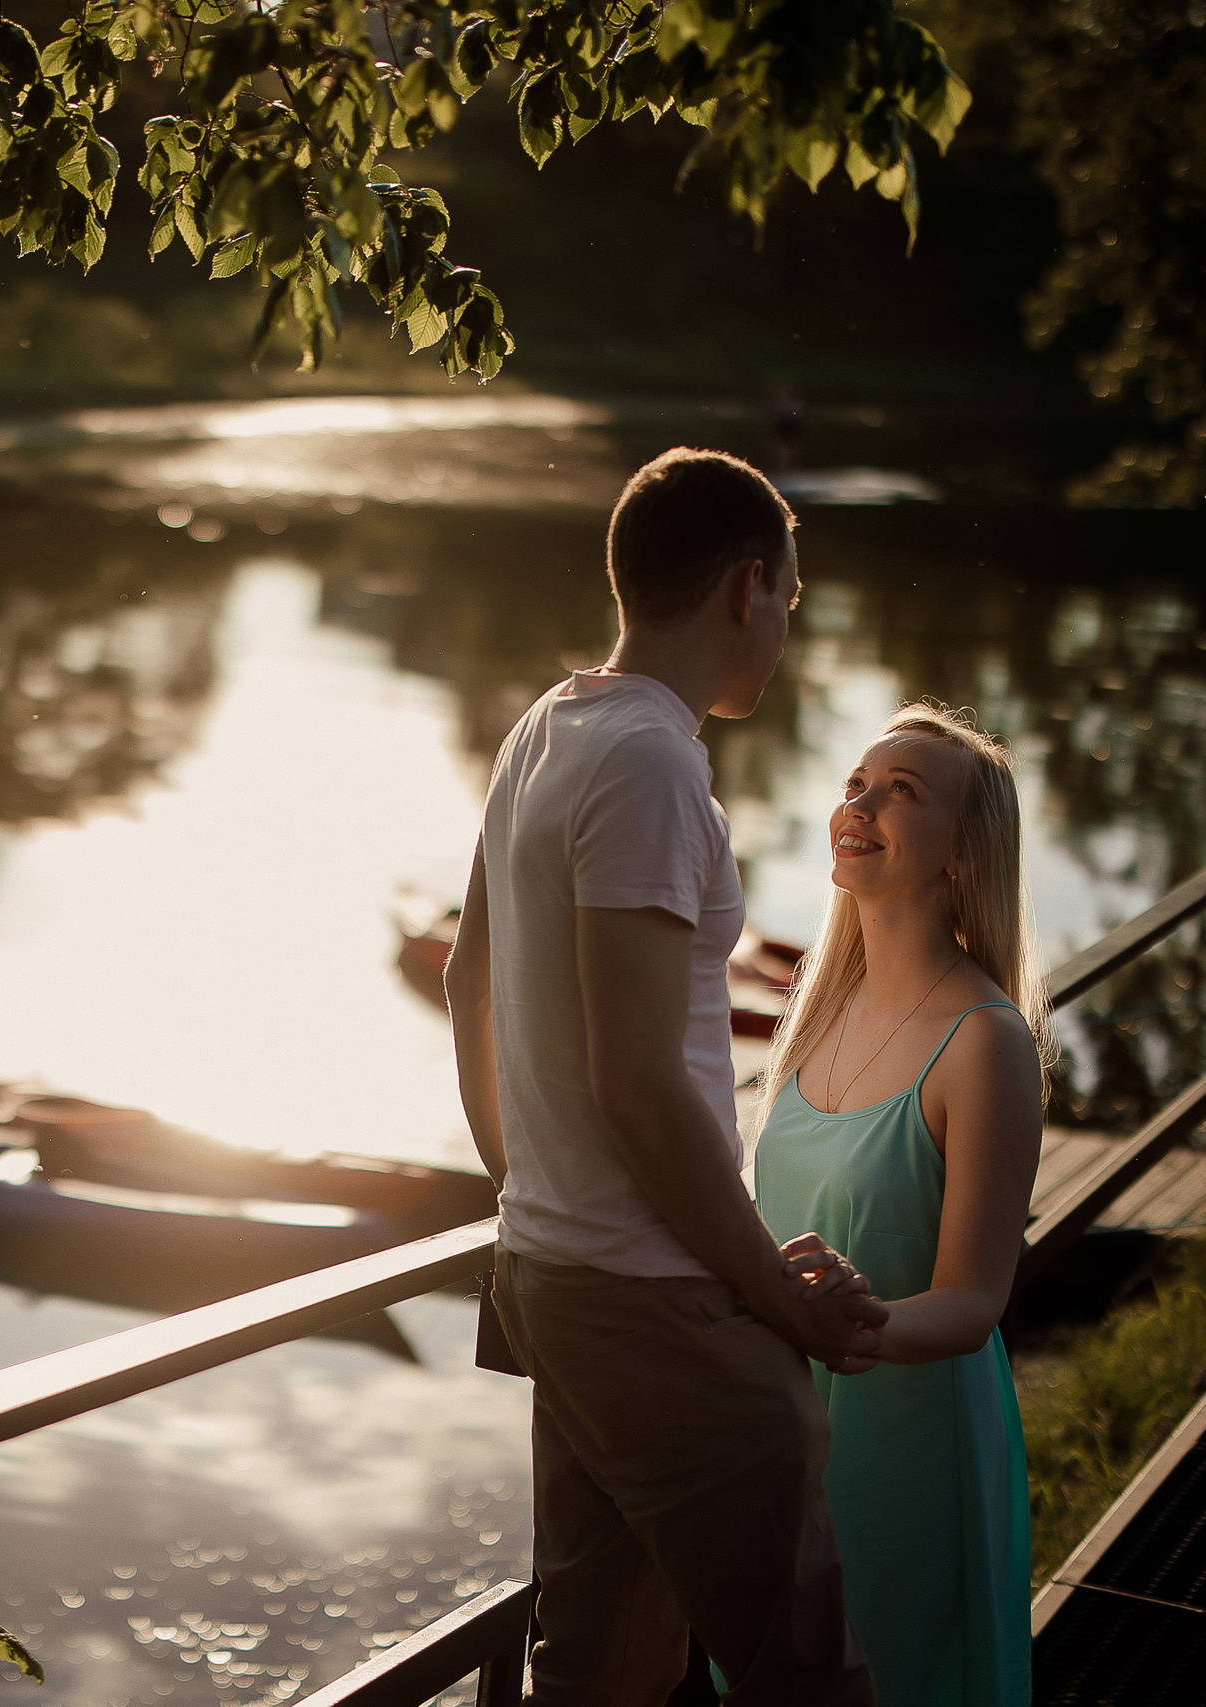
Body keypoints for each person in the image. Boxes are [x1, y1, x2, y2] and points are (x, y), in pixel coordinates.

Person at [447, 447, 886, 1707]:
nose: (788, 630)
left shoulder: (546, 726)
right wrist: (772, 1294)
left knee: (602, 1668)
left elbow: (466, 983)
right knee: (804, 1672)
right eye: (792, 602)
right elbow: (639, 1086)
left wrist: (527, 1189)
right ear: (747, 586)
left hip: (554, 1275)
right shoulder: (649, 763)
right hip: (651, 1300)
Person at [746, 705, 1047, 1706]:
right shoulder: (818, 1003)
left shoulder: (984, 1040)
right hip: (780, 1428)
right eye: (855, 783)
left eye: (901, 792)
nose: (858, 805)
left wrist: (858, 1321)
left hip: (903, 1449)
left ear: (962, 855)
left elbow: (974, 1299)